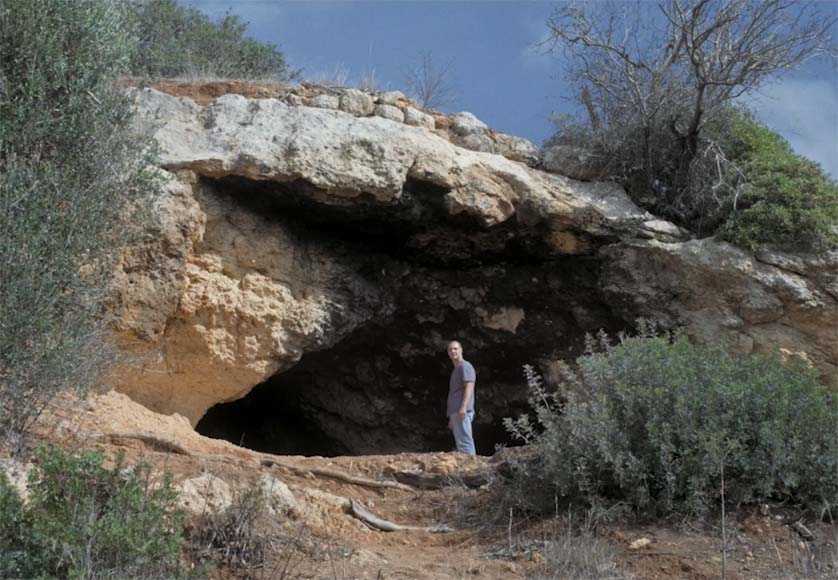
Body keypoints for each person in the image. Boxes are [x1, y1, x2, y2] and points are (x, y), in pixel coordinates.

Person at [446, 340, 476, 455]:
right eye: (450, 349)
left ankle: (473, 468)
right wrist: (451, 417)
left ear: (461, 350)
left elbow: (469, 386)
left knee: (465, 443)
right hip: (456, 412)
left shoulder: (465, 366)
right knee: (461, 443)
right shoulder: (456, 370)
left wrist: (463, 407)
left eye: (455, 348)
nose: (453, 351)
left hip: (461, 411)